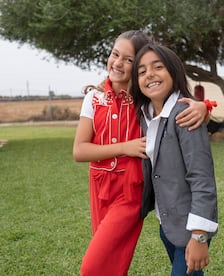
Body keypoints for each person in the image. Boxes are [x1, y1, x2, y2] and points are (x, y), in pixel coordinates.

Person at [72, 30, 209, 276]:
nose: (118, 63)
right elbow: (79, 150)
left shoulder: (141, 100)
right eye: (115, 54)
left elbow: (174, 104)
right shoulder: (94, 97)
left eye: (128, 60)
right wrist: (124, 147)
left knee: (93, 268)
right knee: (110, 262)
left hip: (130, 190)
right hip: (99, 187)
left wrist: (203, 107)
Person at [131, 43, 218, 276]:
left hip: (191, 228)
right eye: (141, 71)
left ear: (173, 71)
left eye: (158, 67)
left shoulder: (185, 115)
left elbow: (202, 178)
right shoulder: (144, 114)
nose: (149, 74)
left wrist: (199, 235)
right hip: (167, 224)